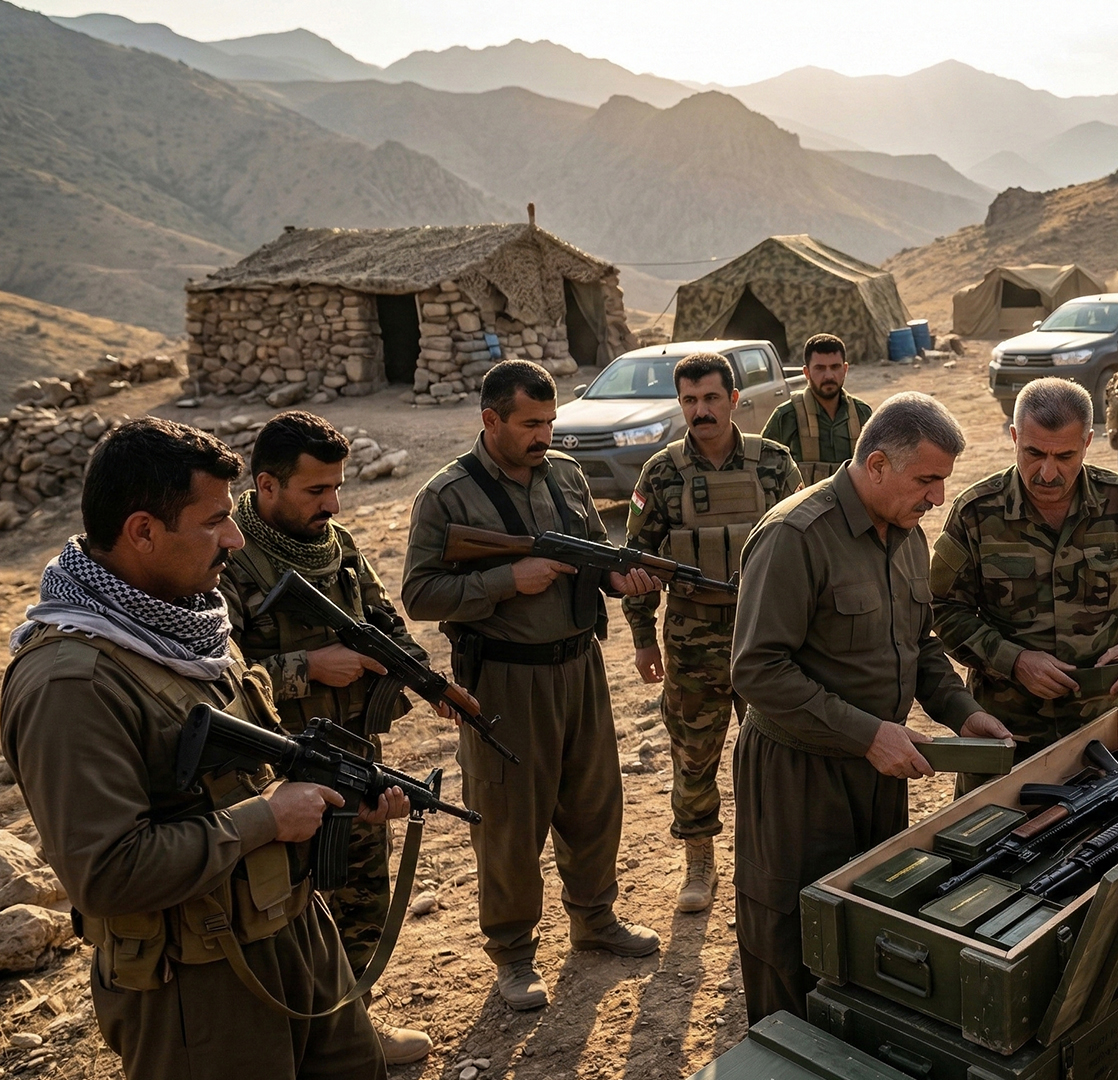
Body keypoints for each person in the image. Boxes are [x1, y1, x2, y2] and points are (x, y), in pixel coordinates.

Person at [2, 417, 406, 1079]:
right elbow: (107, 874)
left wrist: (332, 804)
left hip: (293, 930)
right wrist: (270, 819)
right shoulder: (70, 683)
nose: (235, 538)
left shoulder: (192, 624)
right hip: (199, 982)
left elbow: (248, 777)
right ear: (142, 531)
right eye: (215, 520)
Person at [730, 391, 1012, 1022]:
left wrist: (963, 712)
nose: (939, 497)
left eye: (943, 481)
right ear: (878, 464)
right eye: (928, 480)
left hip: (880, 769)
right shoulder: (794, 535)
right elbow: (756, 669)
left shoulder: (905, 532)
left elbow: (919, 646)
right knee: (791, 935)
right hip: (799, 777)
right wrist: (866, 734)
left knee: (869, 924)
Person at [402, 360, 658, 1012]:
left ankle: (594, 919)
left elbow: (596, 552)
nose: (544, 434)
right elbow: (420, 594)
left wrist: (619, 579)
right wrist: (505, 582)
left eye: (550, 421)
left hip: (580, 666)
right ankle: (513, 955)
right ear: (490, 420)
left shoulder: (566, 474)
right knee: (512, 821)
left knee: (594, 803)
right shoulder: (447, 495)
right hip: (506, 677)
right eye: (530, 424)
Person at [220, 411, 436, 1063]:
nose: (332, 504)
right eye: (316, 491)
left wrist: (415, 673)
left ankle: (353, 1024)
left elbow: (385, 621)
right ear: (267, 485)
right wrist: (306, 668)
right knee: (284, 915)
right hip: (273, 773)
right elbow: (217, 683)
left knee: (360, 896)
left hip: (351, 758)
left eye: (337, 488)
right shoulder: (228, 558)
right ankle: (293, 1042)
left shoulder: (335, 542)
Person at [930, 377, 1118, 792]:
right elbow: (943, 608)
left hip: (1101, 730)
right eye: (1033, 453)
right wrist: (1013, 660)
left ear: (1086, 443)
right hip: (1008, 733)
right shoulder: (976, 513)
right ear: (1014, 437)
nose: (1047, 472)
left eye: (1064, 455)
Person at [625, 353, 800, 913]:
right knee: (694, 754)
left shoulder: (775, 465)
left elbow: (804, 552)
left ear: (734, 399)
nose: (701, 411)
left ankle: (772, 855)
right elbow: (638, 561)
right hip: (691, 636)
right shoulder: (662, 472)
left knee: (775, 750)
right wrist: (643, 637)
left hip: (766, 634)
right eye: (689, 401)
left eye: (710, 399)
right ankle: (699, 861)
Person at [760, 333, 874, 484]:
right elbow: (762, 470)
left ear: (845, 369)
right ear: (806, 372)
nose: (828, 376)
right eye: (820, 368)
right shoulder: (786, 416)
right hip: (804, 506)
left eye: (835, 367)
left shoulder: (862, 414)